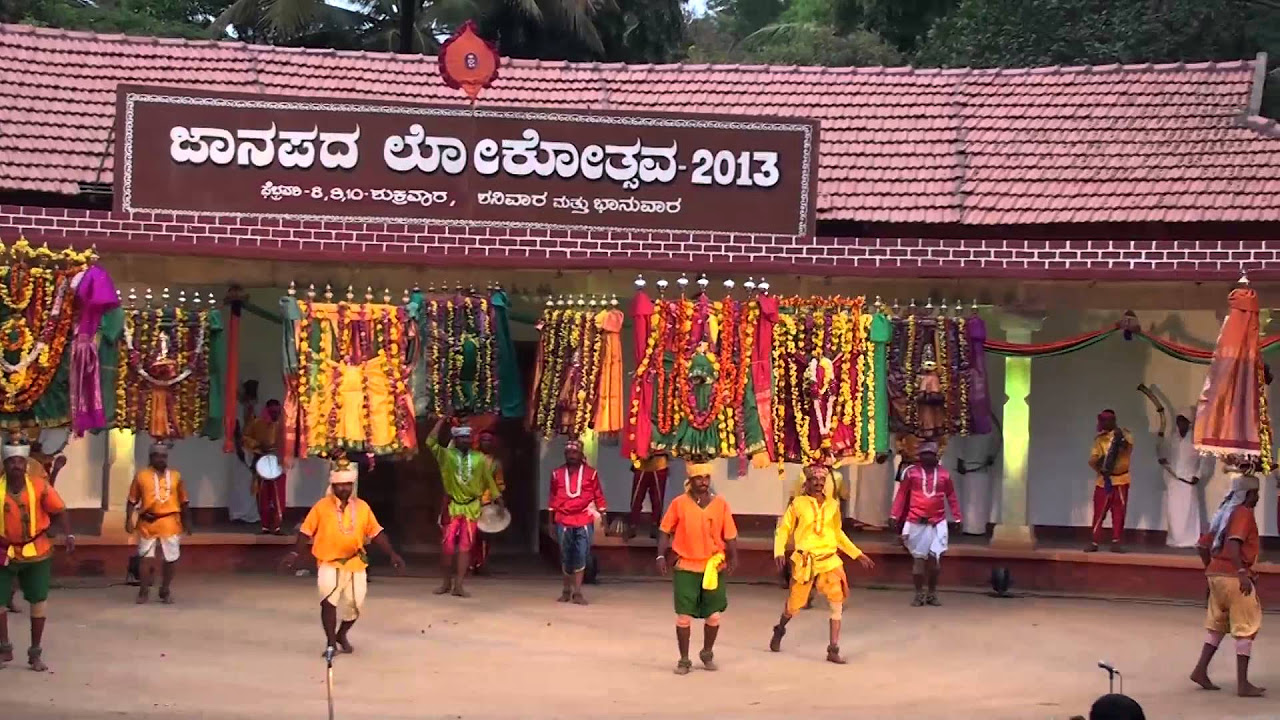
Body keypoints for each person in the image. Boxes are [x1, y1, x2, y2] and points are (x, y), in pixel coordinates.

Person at [283, 460, 405, 659]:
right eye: (340, 485)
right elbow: (305, 532)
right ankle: (331, 644)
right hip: (328, 562)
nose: (344, 488)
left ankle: (341, 635)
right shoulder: (321, 507)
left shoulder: (362, 507)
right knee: (328, 602)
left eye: (348, 485)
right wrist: (295, 554)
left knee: (355, 605)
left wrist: (392, 554)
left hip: (355, 563)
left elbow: (376, 534)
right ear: (333, 486)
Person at [770, 462, 874, 663]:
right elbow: (784, 529)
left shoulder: (833, 505)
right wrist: (778, 550)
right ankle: (780, 628)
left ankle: (833, 649)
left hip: (829, 559)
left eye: (821, 480)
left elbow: (837, 534)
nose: (818, 484)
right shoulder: (797, 504)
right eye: (813, 480)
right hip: (805, 559)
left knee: (837, 602)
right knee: (794, 604)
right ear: (806, 483)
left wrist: (857, 554)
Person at [656, 461, 739, 675]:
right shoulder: (679, 503)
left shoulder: (720, 504)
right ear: (690, 481)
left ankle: (707, 653)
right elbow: (665, 530)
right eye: (699, 478)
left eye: (706, 478)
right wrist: (660, 555)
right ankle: (684, 660)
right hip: (686, 566)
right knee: (684, 616)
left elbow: (730, 535)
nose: (703, 482)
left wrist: (734, 557)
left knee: (713, 616)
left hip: (713, 565)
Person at [0, 435, 74, 672]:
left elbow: (60, 510)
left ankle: (35, 653)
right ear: (4, 464)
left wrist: (68, 535)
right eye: (10, 461)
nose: (15, 465)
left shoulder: (40, 486)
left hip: (37, 551)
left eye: (19, 461)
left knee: (38, 602)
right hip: (3, 551)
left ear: (26, 463)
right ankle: (4, 649)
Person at [1189, 468, 1265, 697]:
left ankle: (1200, 670)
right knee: (1245, 628)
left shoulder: (1222, 513)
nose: (1257, 497)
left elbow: (1202, 546)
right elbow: (1234, 545)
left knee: (1217, 626)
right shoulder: (1243, 513)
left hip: (1217, 576)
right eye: (1255, 493)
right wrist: (1242, 572)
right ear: (1248, 494)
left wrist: (1211, 571)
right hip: (1235, 578)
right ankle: (1243, 685)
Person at [427, 419, 501, 598]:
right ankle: (446, 583)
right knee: (447, 547)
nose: (467, 441)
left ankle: (458, 585)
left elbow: (489, 480)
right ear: (456, 440)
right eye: (463, 438)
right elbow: (430, 441)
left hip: (472, 507)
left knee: (465, 548)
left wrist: (498, 498)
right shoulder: (446, 456)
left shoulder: (479, 459)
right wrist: (441, 421)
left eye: (468, 438)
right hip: (452, 507)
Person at [891, 441, 962, 606]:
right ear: (920, 457)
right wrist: (894, 515)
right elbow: (902, 495)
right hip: (916, 521)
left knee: (935, 560)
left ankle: (932, 593)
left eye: (931, 454)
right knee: (918, 561)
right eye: (925, 454)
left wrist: (957, 518)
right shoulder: (911, 473)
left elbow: (951, 497)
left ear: (936, 456)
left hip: (938, 522)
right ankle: (918, 594)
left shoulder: (944, 475)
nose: (928, 457)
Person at [125, 442, 192, 604]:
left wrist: (188, 522)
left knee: (171, 558)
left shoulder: (176, 476)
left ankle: (165, 589)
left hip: (171, 521)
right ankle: (143, 591)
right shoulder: (141, 476)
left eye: (164, 456)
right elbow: (132, 501)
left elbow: (184, 501)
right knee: (145, 558)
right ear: (151, 457)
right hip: (147, 522)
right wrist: (128, 520)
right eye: (158, 456)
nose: (162, 459)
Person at [547, 439, 606, 604]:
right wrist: (551, 523)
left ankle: (578, 592)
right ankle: (566, 590)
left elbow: (598, 495)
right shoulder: (556, 473)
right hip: (563, 520)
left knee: (582, 555)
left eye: (575, 453)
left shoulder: (591, 473)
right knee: (566, 556)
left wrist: (604, 518)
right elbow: (552, 498)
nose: (571, 456)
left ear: (581, 455)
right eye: (568, 453)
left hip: (584, 519)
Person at [1161, 412, 1213, 548]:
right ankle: (1175, 539)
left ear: (1189, 422)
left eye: (1183, 421)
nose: (1180, 424)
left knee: (1189, 511)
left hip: (1189, 480)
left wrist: (1198, 475)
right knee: (1174, 512)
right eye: (1178, 421)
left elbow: (1205, 459)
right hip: (1174, 480)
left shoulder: (1196, 439)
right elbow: (1166, 455)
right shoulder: (1173, 438)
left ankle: (1190, 539)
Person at [1087, 409, 1134, 553]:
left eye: (1109, 420)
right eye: (1104, 420)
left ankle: (1116, 542)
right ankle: (1094, 542)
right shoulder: (1099, 440)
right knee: (1099, 512)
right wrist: (1101, 465)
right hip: (1104, 481)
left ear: (1114, 420)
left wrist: (1120, 440)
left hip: (1121, 480)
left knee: (1119, 512)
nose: (1106, 423)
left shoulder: (1125, 434)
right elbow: (1093, 460)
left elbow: (1128, 448)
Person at [243, 398, 284, 534]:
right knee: (263, 496)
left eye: (277, 411)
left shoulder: (284, 425)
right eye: (272, 411)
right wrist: (258, 446)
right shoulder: (256, 424)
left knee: (279, 496)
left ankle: (277, 526)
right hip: (261, 460)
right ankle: (265, 526)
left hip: (278, 462)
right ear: (267, 410)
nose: (274, 414)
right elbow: (246, 437)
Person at [470, 428, 505, 575]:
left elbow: (499, 483)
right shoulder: (470, 459)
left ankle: (482, 563)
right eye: (483, 440)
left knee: (485, 537)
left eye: (488, 441)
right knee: (470, 536)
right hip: (470, 502)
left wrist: (498, 501)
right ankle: (471, 563)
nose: (486, 443)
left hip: (487, 503)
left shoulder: (495, 463)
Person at [627, 454, 668, 539]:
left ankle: (655, 525)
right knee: (636, 498)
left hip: (659, 464)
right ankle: (633, 525)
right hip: (641, 463)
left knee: (658, 499)